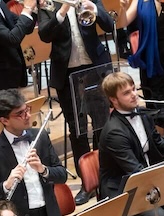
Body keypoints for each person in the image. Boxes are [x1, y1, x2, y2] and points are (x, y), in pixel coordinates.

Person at [37, 0, 113, 202]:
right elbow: (44, 34)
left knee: (101, 125)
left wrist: (94, 9)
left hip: (94, 70)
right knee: (77, 129)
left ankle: (104, 175)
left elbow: (109, 25)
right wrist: (62, 10)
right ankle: (87, 183)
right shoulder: (48, 3)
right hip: (66, 73)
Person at [0, 91, 70, 216]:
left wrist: (43, 170)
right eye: (20, 114)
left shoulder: (41, 137)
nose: (28, 116)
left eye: (27, 110)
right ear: (4, 120)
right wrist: (6, 185)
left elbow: (62, 175)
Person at [97, 72, 164, 216]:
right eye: (127, 93)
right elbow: (135, 171)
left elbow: (158, 145)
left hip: (145, 180)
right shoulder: (114, 132)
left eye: (134, 89)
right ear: (114, 100)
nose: (134, 95)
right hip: (123, 190)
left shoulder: (142, 115)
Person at [0, 0, 36, 125]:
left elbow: (25, 28)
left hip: (7, 78)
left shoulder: (0, 3)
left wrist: (34, 9)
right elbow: (12, 38)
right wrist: (27, 8)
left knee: (9, 128)